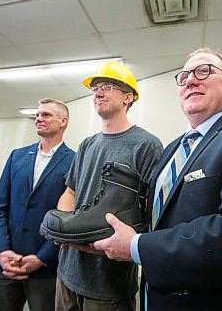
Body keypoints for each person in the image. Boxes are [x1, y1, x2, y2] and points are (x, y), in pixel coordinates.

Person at [93, 47, 222, 310]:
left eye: (203, 71)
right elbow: (160, 223)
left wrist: (137, 246)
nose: (191, 80)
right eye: (183, 77)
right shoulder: (171, 150)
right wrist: (104, 236)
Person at [55, 61, 163, 310]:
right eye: (94, 89)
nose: (98, 93)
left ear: (128, 97)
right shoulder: (87, 144)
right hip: (68, 272)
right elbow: (69, 192)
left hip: (108, 283)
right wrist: (68, 228)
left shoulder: (146, 145)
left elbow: (150, 212)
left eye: (107, 87)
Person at [0, 98, 75, 311]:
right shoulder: (17, 156)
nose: (38, 119)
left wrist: (42, 257)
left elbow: (70, 219)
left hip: (46, 267)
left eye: (46, 115)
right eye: (37, 115)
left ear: (63, 121)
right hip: (7, 264)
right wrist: (1, 251)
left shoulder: (75, 161)